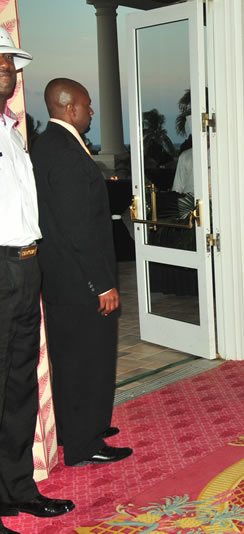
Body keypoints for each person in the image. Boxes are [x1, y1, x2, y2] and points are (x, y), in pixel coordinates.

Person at [31, 78, 133, 467]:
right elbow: (78, 229)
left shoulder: (46, 145)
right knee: (87, 360)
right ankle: (83, 443)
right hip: (79, 282)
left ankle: (82, 426)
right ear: (70, 107)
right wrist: (101, 283)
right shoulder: (67, 153)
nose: (92, 112)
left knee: (74, 359)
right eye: (88, 106)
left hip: (61, 278)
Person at [0, 30, 74, 533]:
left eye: (10, 61)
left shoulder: (11, 130)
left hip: (24, 268)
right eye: (0, 59)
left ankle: (15, 492)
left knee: (19, 388)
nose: (8, 66)